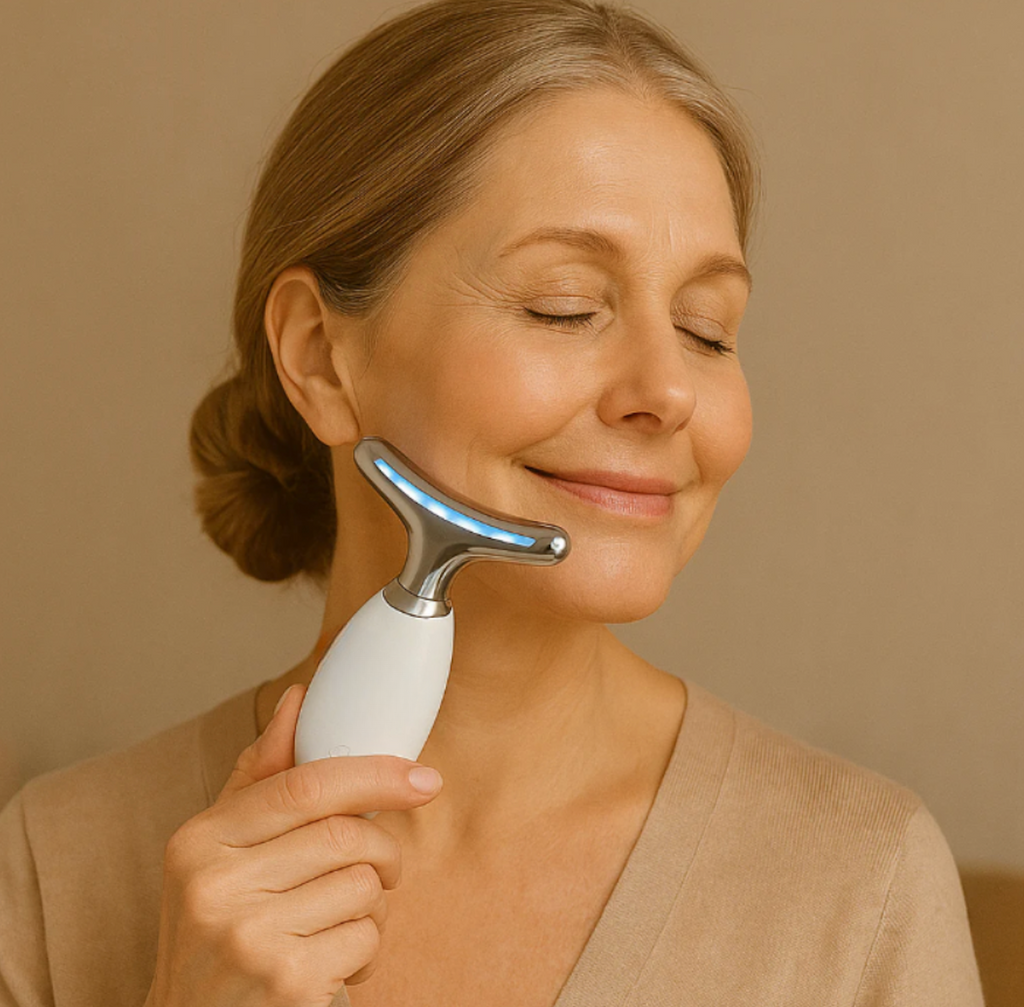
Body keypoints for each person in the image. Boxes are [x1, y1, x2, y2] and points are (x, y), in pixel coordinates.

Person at [0, 1, 985, 1005]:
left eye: (706, 329)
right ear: (320, 356)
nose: (667, 389)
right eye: (564, 305)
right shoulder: (48, 869)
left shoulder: (863, 886)